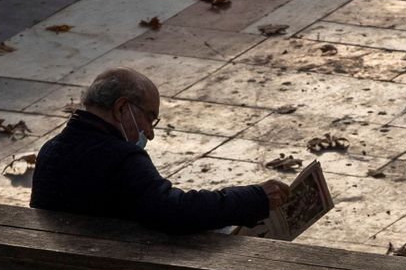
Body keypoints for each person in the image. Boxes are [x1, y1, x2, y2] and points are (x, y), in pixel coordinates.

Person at [29, 67, 288, 233]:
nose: (150, 133)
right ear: (121, 108)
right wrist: (253, 197)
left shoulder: (52, 149)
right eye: (149, 118)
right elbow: (175, 211)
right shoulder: (121, 158)